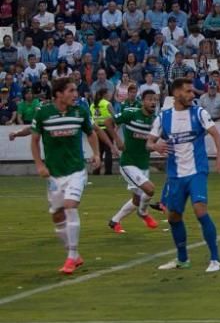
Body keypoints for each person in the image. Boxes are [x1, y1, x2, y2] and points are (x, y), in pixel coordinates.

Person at [147, 78, 220, 272]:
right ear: (176, 93)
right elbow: (149, 142)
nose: (193, 95)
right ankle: (182, 259)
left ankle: (215, 259)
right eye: (188, 91)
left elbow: (216, 134)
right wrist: (155, 145)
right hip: (175, 175)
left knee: (200, 210)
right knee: (174, 216)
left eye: (193, 91)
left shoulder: (199, 112)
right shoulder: (163, 117)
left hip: (197, 171)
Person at [30, 77, 102, 274]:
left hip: (76, 170)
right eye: (71, 91)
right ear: (58, 94)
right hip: (54, 174)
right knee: (57, 215)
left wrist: (96, 154)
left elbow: (91, 133)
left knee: (70, 206)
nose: (75, 94)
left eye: (75, 90)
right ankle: (74, 255)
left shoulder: (80, 111)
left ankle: (71, 256)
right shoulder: (43, 113)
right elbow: (35, 140)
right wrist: (39, 165)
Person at [104, 89, 165, 233]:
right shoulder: (131, 113)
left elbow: (149, 146)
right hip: (128, 162)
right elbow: (108, 121)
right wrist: (117, 140)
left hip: (143, 163)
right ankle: (143, 213)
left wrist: (156, 146)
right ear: (142, 101)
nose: (153, 102)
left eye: (155, 100)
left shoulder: (155, 121)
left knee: (137, 200)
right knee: (149, 189)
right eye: (150, 99)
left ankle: (114, 221)